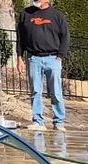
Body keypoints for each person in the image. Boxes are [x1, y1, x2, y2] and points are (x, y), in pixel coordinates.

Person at [17, 0, 69, 130]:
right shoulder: (26, 14)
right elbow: (20, 38)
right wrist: (19, 57)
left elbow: (65, 37)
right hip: (33, 58)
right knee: (35, 91)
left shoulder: (57, 16)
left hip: (53, 58)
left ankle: (59, 121)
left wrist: (60, 56)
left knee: (56, 92)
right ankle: (38, 122)